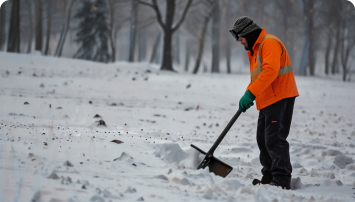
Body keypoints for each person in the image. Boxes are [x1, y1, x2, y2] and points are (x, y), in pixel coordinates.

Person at [229, 16, 299, 190]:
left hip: (280, 97)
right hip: (268, 99)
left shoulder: (269, 43)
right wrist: (247, 94)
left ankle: (282, 179)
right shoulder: (255, 49)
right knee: (263, 139)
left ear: (248, 34)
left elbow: (270, 71)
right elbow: (257, 78)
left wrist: (251, 93)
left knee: (274, 139)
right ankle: (269, 177)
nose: (240, 42)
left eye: (241, 38)